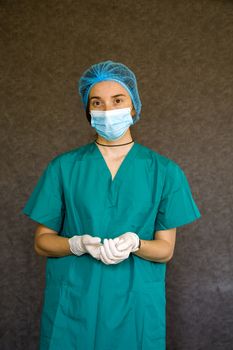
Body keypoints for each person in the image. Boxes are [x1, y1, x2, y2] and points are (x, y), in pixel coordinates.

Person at [21, 60, 202, 350]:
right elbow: (42, 243)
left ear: (133, 107)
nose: (108, 111)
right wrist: (77, 243)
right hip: (74, 303)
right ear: (88, 111)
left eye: (117, 100)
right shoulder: (64, 168)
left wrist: (136, 244)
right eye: (97, 102)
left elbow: (165, 250)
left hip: (136, 306)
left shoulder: (165, 171)